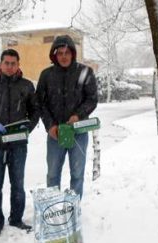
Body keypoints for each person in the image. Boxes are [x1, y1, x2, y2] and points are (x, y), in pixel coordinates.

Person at [0, 49, 39, 238]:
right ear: (0, 64)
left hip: (18, 145)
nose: (10, 67)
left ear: (18, 65)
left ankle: (16, 218)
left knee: (17, 183)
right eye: (7, 63)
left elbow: (35, 112)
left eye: (13, 63)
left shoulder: (27, 86)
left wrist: (26, 129)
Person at [36, 35, 98, 199]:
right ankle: (54, 207)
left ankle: (73, 207)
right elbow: (40, 104)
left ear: (72, 53)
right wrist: (50, 125)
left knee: (77, 174)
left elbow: (92, 99)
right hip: (55, 133)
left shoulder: (85, 72)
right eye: (60, 53)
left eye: (67, 52)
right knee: (53, 174)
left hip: (78, 132)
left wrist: (78, 115)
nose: (64, 56)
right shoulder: (46, 75)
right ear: (54, 55)